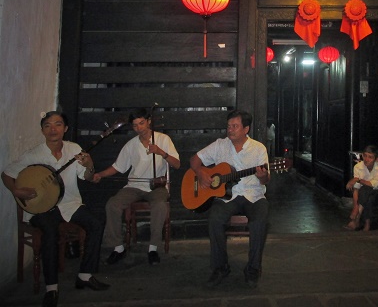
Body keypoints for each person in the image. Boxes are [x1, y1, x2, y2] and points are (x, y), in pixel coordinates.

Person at [1, 111, 109, 307]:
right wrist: (16, 190)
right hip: (41, 208)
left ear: (65, 129)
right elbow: (7, 174)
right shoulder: (33, 154)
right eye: (48, 125)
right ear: (42, 130)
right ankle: (51, 288)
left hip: (70, 203)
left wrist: (90, 165)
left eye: (58, 124)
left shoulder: (74, 149)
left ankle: (85, 275)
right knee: (49, 232)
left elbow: (87, 177)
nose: (53, 129)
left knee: (96, 222)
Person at [189, 110, 270, 289]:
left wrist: (262, 176)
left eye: (235, 126)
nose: (230, 130)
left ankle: (253, 269)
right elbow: (194, 160)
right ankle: (220, 267)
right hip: (227, 197)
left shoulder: (258, 148)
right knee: (215, 219)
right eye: (228, 126)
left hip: (253, 194)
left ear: (246, 129)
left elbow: (265, 180)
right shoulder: (219, 145)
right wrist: (201, 172)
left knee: (259, 221)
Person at [93, 107, 180, 266]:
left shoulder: (163, 139)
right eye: (135, 125)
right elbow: (118, 167)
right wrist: (100, 174)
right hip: (133, 185)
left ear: (149, 121)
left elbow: (177, 164)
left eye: (141, 123)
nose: (139, 128)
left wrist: (161, 152)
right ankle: (118, 248)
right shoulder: (131, 145)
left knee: (160, 205)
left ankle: (153, 248)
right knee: (112, 204)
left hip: (156, 186)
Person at [344, 145, 378, 231]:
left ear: (377, 159)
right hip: (365, 195)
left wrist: (357, 179)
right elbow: (356, 189)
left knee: (366, 188)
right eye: (365, 156)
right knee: (368, 196)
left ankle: (356, 219)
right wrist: (355, 207)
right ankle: (367, 225)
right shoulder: (358, 167)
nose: (366, 159)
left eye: (370, 157)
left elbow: (373, 184)